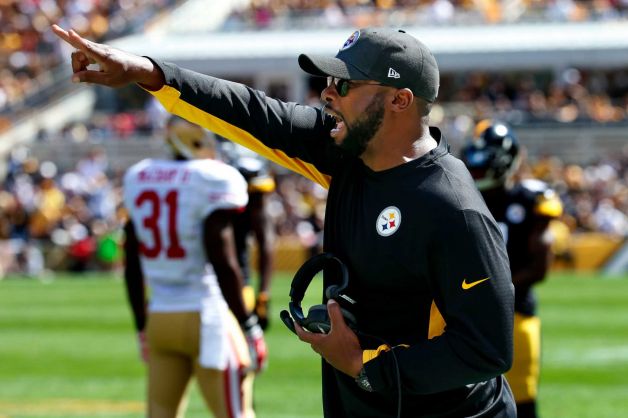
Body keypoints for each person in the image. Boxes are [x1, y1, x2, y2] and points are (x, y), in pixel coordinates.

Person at [53, 25, 516, 418]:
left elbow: (487, 349)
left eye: (345, 85)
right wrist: (149, 74)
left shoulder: (452, 208)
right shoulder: (349, 153)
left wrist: (362, 364)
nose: (327, 94)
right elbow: (253, 112)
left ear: (400, 101)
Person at [121, 116, 267, 418]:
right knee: (237, 413)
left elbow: (131, 263)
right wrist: (249, 325)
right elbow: (223, 260)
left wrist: (141, 326)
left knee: (160, 413)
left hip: (160, 316)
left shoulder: (140, 175)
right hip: (207, 315)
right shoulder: (214, 178)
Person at [461, 120, 564, 418]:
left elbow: (539, 267)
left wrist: (491, 292)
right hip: (462, 314)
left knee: (521, 400)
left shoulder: (529, 199)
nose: (476, 168)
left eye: (484, 161)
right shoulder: (459, 196)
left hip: (515, 312)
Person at [222, 142, 276, 330]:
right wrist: (263, 295)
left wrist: (263, 295)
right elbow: (266, 242)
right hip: (215, 287)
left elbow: (266, 242)